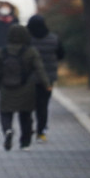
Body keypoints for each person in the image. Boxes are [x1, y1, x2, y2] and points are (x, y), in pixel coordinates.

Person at [0, 24, 49, 151]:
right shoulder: (30, 51)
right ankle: (25, 142)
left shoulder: (1, 51)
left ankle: (7, 130)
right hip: (26, 87)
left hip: (6, 86)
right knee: (25, 115)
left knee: (5, 112)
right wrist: (47, 84)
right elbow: (39, 68)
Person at [26, 15, 64, 143]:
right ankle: (41, 131)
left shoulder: (27, 39)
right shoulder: (53, 39)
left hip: (29, 78)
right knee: (43, 105)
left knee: (27, 105)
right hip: (48, 78)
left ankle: (28, 128)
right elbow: (61, 55)